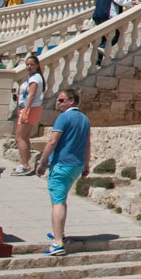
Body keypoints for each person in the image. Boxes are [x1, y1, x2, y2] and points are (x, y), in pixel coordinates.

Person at [35, 87, 90, 256]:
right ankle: (60, 232)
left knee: (57, 202)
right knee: (62, 199)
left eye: (61, 100)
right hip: (77, 165)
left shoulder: (63, 118)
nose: (57, 103)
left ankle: (57, 242)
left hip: (62, 165)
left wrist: (42, 161)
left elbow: (52, 142)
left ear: (70, 101)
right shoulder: (84, 119)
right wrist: (86, 165)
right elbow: (87, 144)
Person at [12, 54, 45, 175]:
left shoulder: (35, 79)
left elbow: (31, 95)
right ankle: (25, 163)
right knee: (24, 137)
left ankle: (25, 165)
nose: (29, 67)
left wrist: (25, 110)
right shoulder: (34, 77)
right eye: (27, 64)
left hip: (30, 108)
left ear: (37, 66)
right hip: (30, 108)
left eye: (32, 64)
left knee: (19, 137)